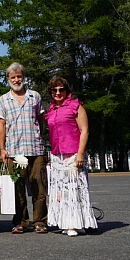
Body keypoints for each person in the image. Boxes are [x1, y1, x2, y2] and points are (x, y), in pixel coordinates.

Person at [0, 63, 48, 234]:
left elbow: (40, 121)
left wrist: (39, 138)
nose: (16, 80)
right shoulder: (3, 100)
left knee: (39, 188)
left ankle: (40, 221)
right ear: (8, 79)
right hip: (14, 150)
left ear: (23, 77)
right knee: (17, 189)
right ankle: (20, 221)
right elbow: (1, 126)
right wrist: (2, 149)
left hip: (35, 148)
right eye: (13, 77)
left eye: (19, 76)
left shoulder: (35, 96)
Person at [44, 76, 98, 237]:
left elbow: (84, 130)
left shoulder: (76, 106)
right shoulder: (51, 110)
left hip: (73, 153)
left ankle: (75, 223)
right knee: (60, 191)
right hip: (57, 154)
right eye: (54, 90)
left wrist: (80, 153)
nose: (58, 93)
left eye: (61, 90)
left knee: (74, 188)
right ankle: (64, 221)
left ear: (67, 91)